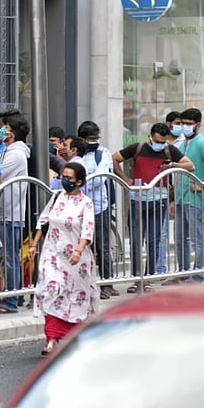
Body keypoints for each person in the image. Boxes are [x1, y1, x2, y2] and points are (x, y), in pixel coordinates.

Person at [114, 123, 193, 292]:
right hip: (137, 200)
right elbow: (114, 158)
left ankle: (148, 278)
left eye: (163, 141)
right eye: (157, 140)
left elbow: (190, 165)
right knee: (136, 240)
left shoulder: (169, 150)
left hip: (159, 200)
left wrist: (172, 165)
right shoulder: (138, 147)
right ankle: (136, 279)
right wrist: (125, 179)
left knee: (154, 240)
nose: (160, 144)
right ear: (150, 136)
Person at [29, 162, 98, 356]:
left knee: (73, 297)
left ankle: (74, 335)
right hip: (52, 253)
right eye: (63, 177)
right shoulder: (56, 197)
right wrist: (34, 244)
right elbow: (43, 221)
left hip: (76, 258)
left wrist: (78, 251)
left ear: (79, 181)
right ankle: (51, 338)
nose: (65, 181)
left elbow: (87, 229)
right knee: (50, 290)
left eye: (69, 178)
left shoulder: (86, 203)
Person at [169, 108, 204, 283]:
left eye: (188, 124)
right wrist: (174, 199)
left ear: (197, 125)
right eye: (182, 123)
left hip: (196, 199)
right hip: (182, 197)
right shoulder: (182, 145)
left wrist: (203, 183)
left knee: (198, 238)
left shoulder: (202, 143)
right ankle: (183, 272)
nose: (184, 127)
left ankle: (199, 273)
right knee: (181, 239)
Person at [0, 115, 30, 314]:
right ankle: (6, 297)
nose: (1, 130)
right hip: (2, 211)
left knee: (9, 258)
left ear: (12, 133)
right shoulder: (7, 151)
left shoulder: (16, 155)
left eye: (4, 128)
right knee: (5, 257)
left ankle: (11, 299)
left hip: (9, 213)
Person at [77, 121, 117, 299]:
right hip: (80, 209)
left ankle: (106, 284)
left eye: (96, 138)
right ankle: (87, 284)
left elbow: (99, 179)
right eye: (90, 138)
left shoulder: (104, 154)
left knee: (103, 247)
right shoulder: (77, 156)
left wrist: (81, 182)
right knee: (85, 248)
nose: (93, 141)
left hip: (100, 206)